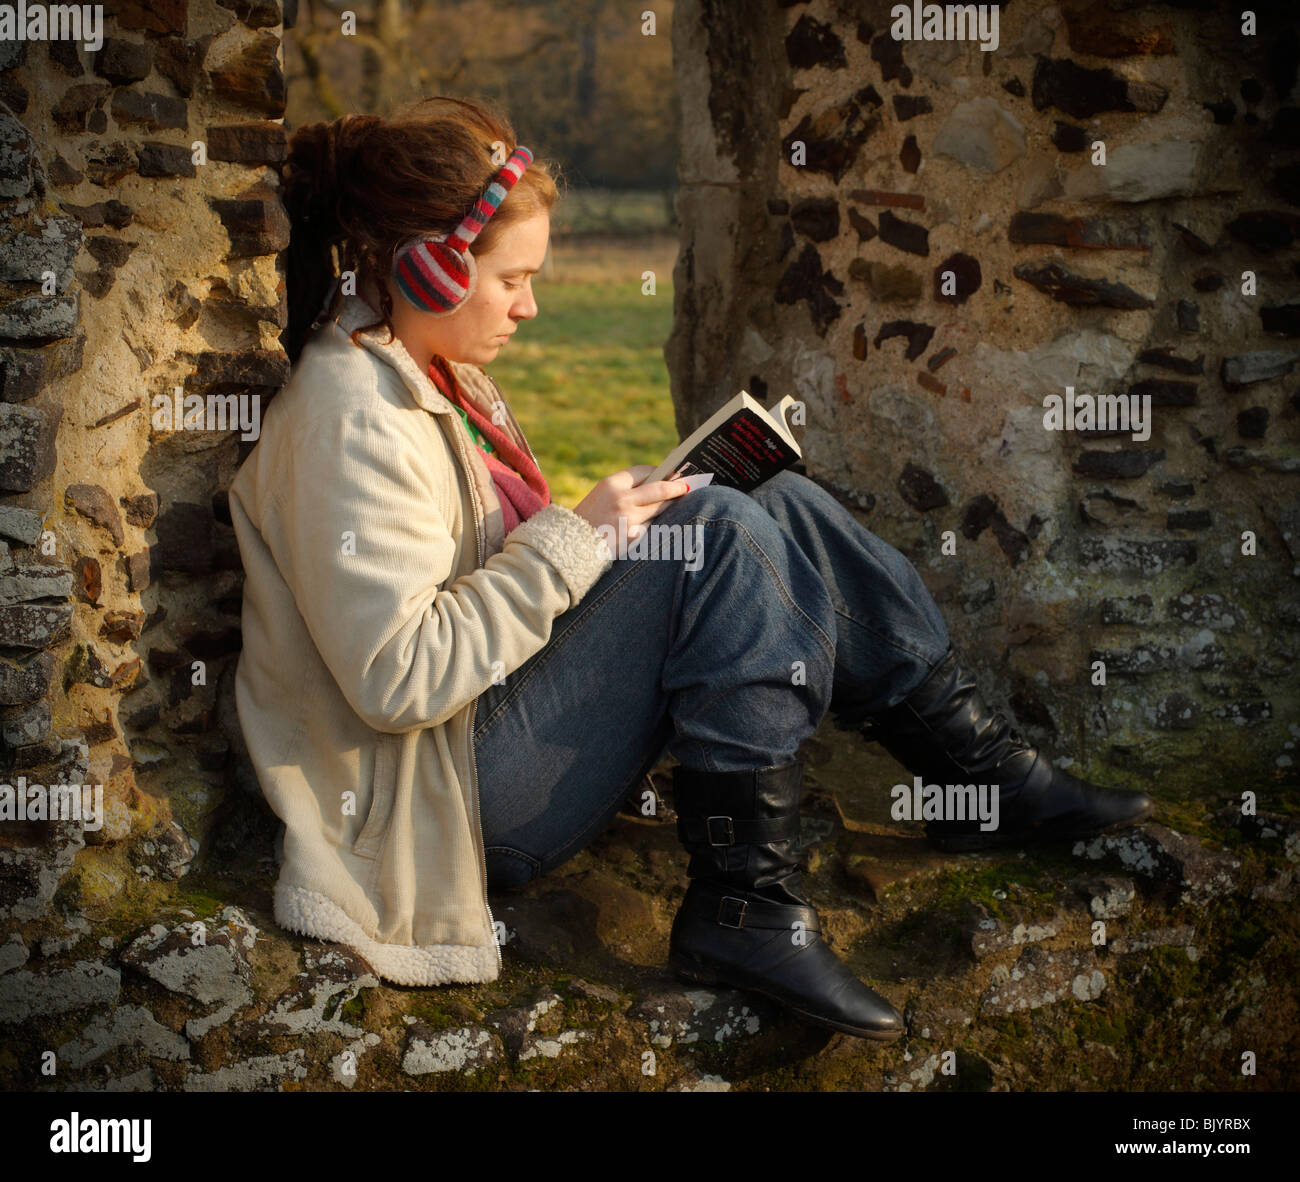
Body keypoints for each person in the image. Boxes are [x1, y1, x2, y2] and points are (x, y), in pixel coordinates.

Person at [229, 96, 1154, 1045]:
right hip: (446, 802)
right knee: (711, 526)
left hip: (487, 731)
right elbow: (398, 676)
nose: (531, 306)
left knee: (772, 499)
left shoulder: (433, 369)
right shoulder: (350, 417)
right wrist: (575, 540)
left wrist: (611, 527)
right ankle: (744, 905)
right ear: (428, 266)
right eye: (512, 280)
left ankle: (979, 775)